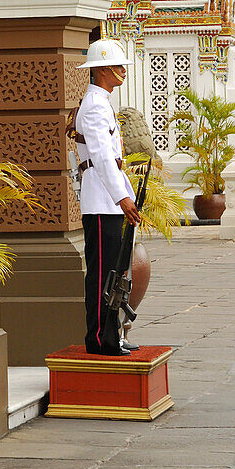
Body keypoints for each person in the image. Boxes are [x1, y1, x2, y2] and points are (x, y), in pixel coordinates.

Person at [74, 39, 141, 355]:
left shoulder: (100, 102)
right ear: (101, 70)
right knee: (103, 273)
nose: (122, 71)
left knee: (116, 274)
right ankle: (100, 338)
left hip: (108, 198)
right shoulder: (95, 105)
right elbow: (101, 156)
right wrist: (121, 198)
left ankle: (111, 335)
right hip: (102, 200)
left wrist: (123, 194)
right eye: (117, 66)